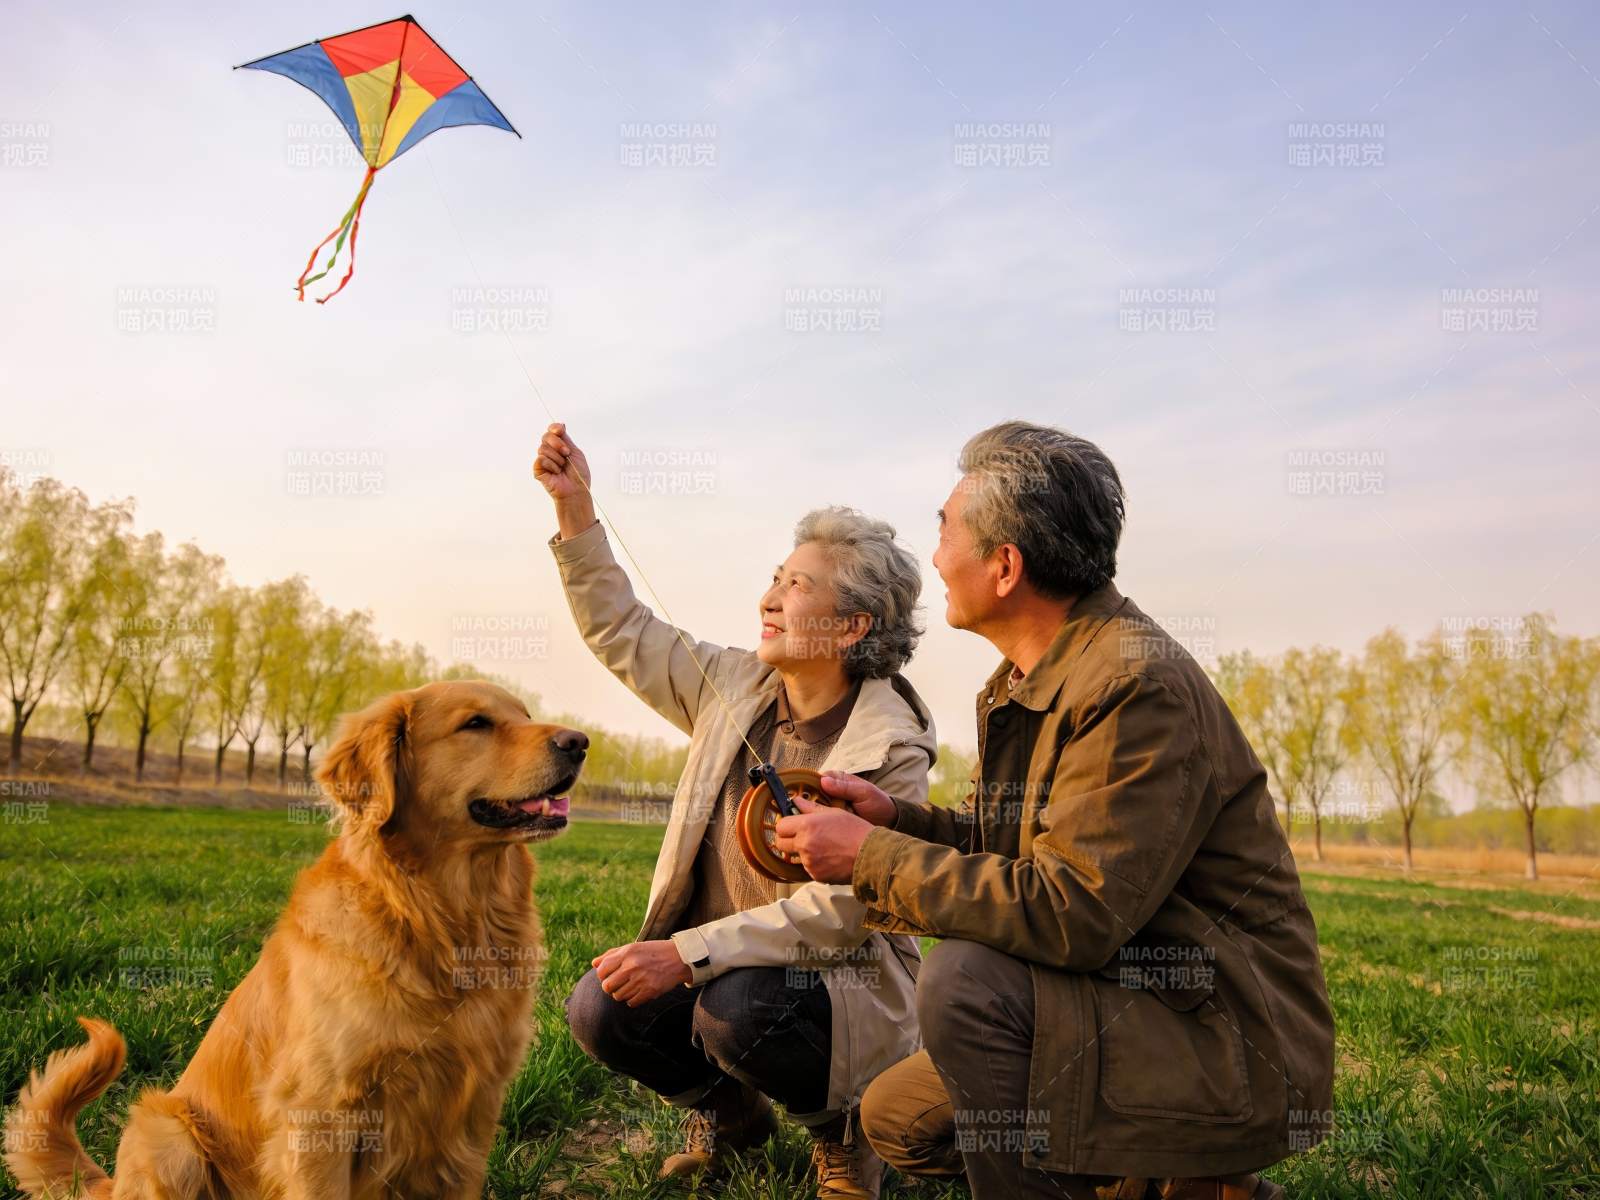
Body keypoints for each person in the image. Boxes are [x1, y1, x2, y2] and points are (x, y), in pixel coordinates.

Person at [775, 420, 1336, 1200]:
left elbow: (1070, 910)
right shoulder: (1038, 676)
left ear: (1005, 566)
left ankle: (1194, 1166)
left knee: (965, 984)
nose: (935, 557)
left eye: (945, 530)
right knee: (902, 1118)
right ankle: (1164, 1183)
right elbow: (1018, 844)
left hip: (1217, 1035)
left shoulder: (1134, 687)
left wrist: (867, 859)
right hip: (1132, 999)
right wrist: (891, 822)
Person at [534, 423, 936, 1200]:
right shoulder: (731, 683)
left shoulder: (892, 748)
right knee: (599, 1008)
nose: (768, 597)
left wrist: (683, 955)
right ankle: (730, 1116)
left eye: (796, 585)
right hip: (718, 962)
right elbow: (622, 630)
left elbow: (843, 914)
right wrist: (575, 510)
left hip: (833, 985)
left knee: (740, 1005)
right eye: (775, 577)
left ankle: (846, 1137)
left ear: (852, 626)